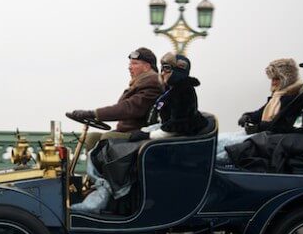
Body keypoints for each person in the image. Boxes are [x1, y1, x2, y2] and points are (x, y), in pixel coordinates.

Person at [68, 47, 162, 213]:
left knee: (105, 139)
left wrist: (94, 113)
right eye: (130, 63)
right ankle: (97, 185)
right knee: (92, 137)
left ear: (147, 66)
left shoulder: (151, 82)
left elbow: (128, 108)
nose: (130, 67)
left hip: (137, 136)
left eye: (134, 63)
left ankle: (105, 190)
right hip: (130, 134)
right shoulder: (142, 82)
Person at [225, 53, 303, 173]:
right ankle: (231, 160)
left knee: (269, 141)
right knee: (266, 138)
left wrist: (288, 130)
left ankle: (228, 160)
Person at [215, 58, 302, 163]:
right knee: (219, 139)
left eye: (277, 79)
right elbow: (260, 112)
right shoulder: (278, 95)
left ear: (287, 79)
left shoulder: (293, 98)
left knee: (223, 151)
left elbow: (283, 125)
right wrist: (248, 116)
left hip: (270, 138)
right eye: (272, 79)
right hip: (263, 133)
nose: (273, 82)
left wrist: (257, 128)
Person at [133, 52, 205, 141]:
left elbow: (178, 125)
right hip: (170, 130)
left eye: (167, 68)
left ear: (178, 71)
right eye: (162, 69)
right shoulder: (170, 90)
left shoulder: (184, 90)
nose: (162, 73)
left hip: (184, 135)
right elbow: (166, 122)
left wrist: (149, 135)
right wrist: (147, 130)